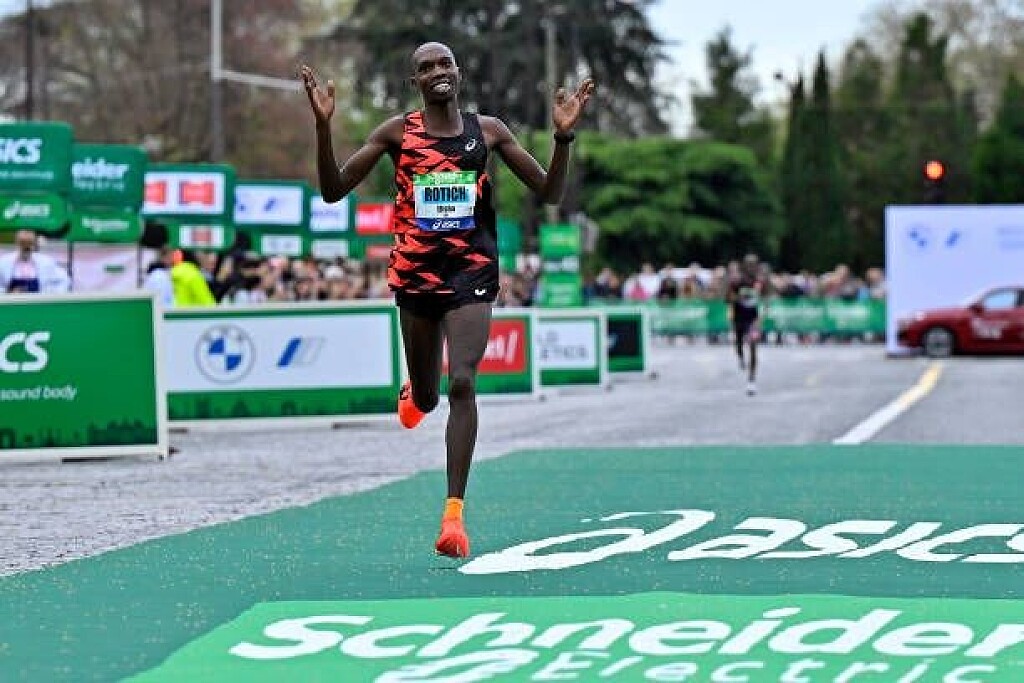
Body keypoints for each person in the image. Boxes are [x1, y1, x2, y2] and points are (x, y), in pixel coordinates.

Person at [301, 43, 594, 558]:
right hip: (416, 278)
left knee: (462, 381)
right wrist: (324, 128)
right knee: (429, 395)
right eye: (426, 68)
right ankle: (416, 394)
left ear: (458, 73)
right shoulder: (396, 133)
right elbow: (333, 191)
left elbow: (549, 193)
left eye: (445, 64)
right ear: (415, 82)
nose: (438, 72)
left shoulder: (490, 132)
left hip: (471, 272)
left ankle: (453, 516)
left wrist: (563, 137)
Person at [726, 253, 766, 396]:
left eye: (754, 264)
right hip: (739, 318)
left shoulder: (760, 281)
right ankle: (740, 356)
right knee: (738, 344)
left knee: (753, 347)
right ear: (745, 266)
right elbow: (728, 298)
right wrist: (739, 297)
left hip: (753, 319)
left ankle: (751, 381)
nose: (751, 267)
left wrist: (762, 316)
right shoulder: (737, 281)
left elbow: (765, 299)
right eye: (749, 265)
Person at [0, 229, 71, 294]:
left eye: (29, 243)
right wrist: (8, 292)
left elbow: (65, 281)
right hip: (13, 302)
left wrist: (45, 293)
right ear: (17, 243)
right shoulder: (4, 262)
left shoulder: (46, 261)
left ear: (34, 244)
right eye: (23, 243)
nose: (26, 247)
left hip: (39, 302)